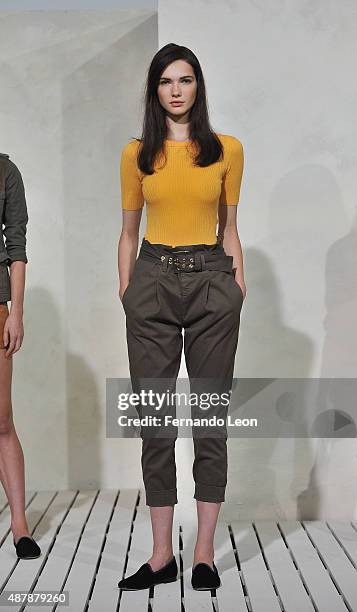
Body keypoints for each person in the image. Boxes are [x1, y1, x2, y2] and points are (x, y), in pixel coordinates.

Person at [117, 43, 245, 591]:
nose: (176, 89)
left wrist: (237, 283)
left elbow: (230, 226)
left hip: (214, 280)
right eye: (166, 81)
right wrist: (128, 290)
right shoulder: (137, 154)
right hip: (152, 281)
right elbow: (127, 231)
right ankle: (161, 555)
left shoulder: (227, 150)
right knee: (156, 423)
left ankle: (204, 555)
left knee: (210, 421)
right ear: (154, 90)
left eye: (185, 80)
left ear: (198, 86)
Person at [0, 152, 41, 560]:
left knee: (1, 418)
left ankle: (20, 525)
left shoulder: (5, 170)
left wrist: (17, 311)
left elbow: (17, 244)